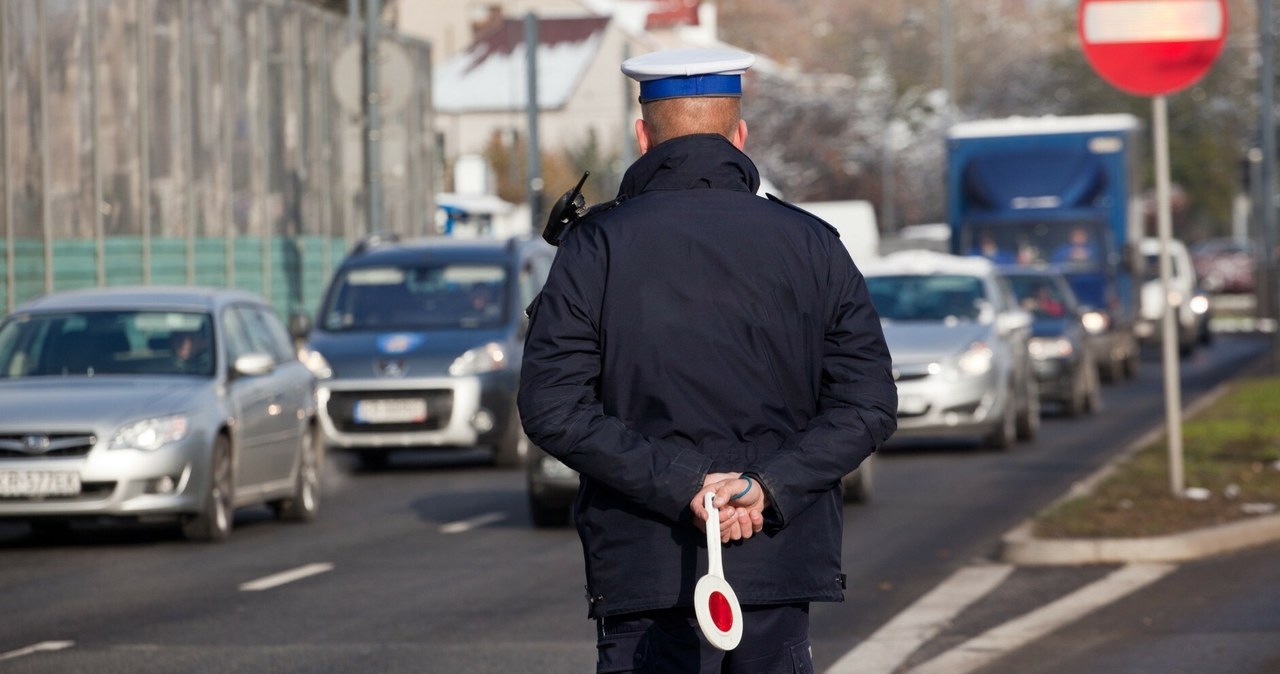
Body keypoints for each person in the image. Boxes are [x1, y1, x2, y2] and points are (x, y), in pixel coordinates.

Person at [518, 47, 897, 673]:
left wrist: (683, 484)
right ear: (740, 134)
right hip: (774, 559)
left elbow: (552, 407)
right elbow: (868, 404)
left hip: (646, 564)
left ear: (643, 136)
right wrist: (762, 487)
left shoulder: (596, 248)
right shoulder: (812, 243)